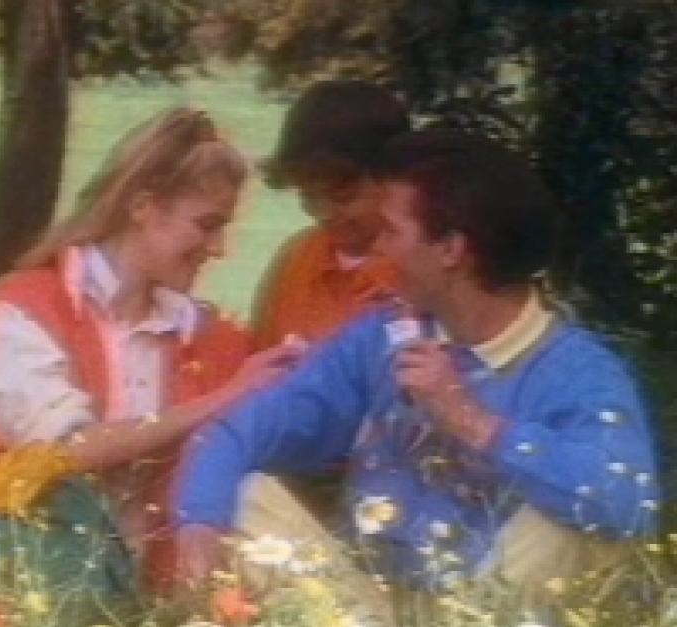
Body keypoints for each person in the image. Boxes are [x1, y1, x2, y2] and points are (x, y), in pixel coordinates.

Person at [173, 130, 660, 609]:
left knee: (570, 520)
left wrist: (472, 422)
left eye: (391, 231)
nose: (378, 249)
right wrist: (199, 526)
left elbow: (631, 503)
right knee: (245, 494)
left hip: (488, 610)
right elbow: (241, 429)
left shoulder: (578, 371)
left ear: (450, 250)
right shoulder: (381, 337)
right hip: (366, 610)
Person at [0, 108, 303, 591]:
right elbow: (64, 452)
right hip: (38, 585)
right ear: (143, 207)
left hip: (161, 600)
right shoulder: (27, 307)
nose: (219, 248)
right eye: (207, 225)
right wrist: (220, 399)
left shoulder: (212, 336)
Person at [252, 80, 410, 349]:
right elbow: (259, 357)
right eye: (309, 197)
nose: (325, 214)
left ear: (396, 178)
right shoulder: (294, 258)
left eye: (343, 197)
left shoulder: (424, 269)